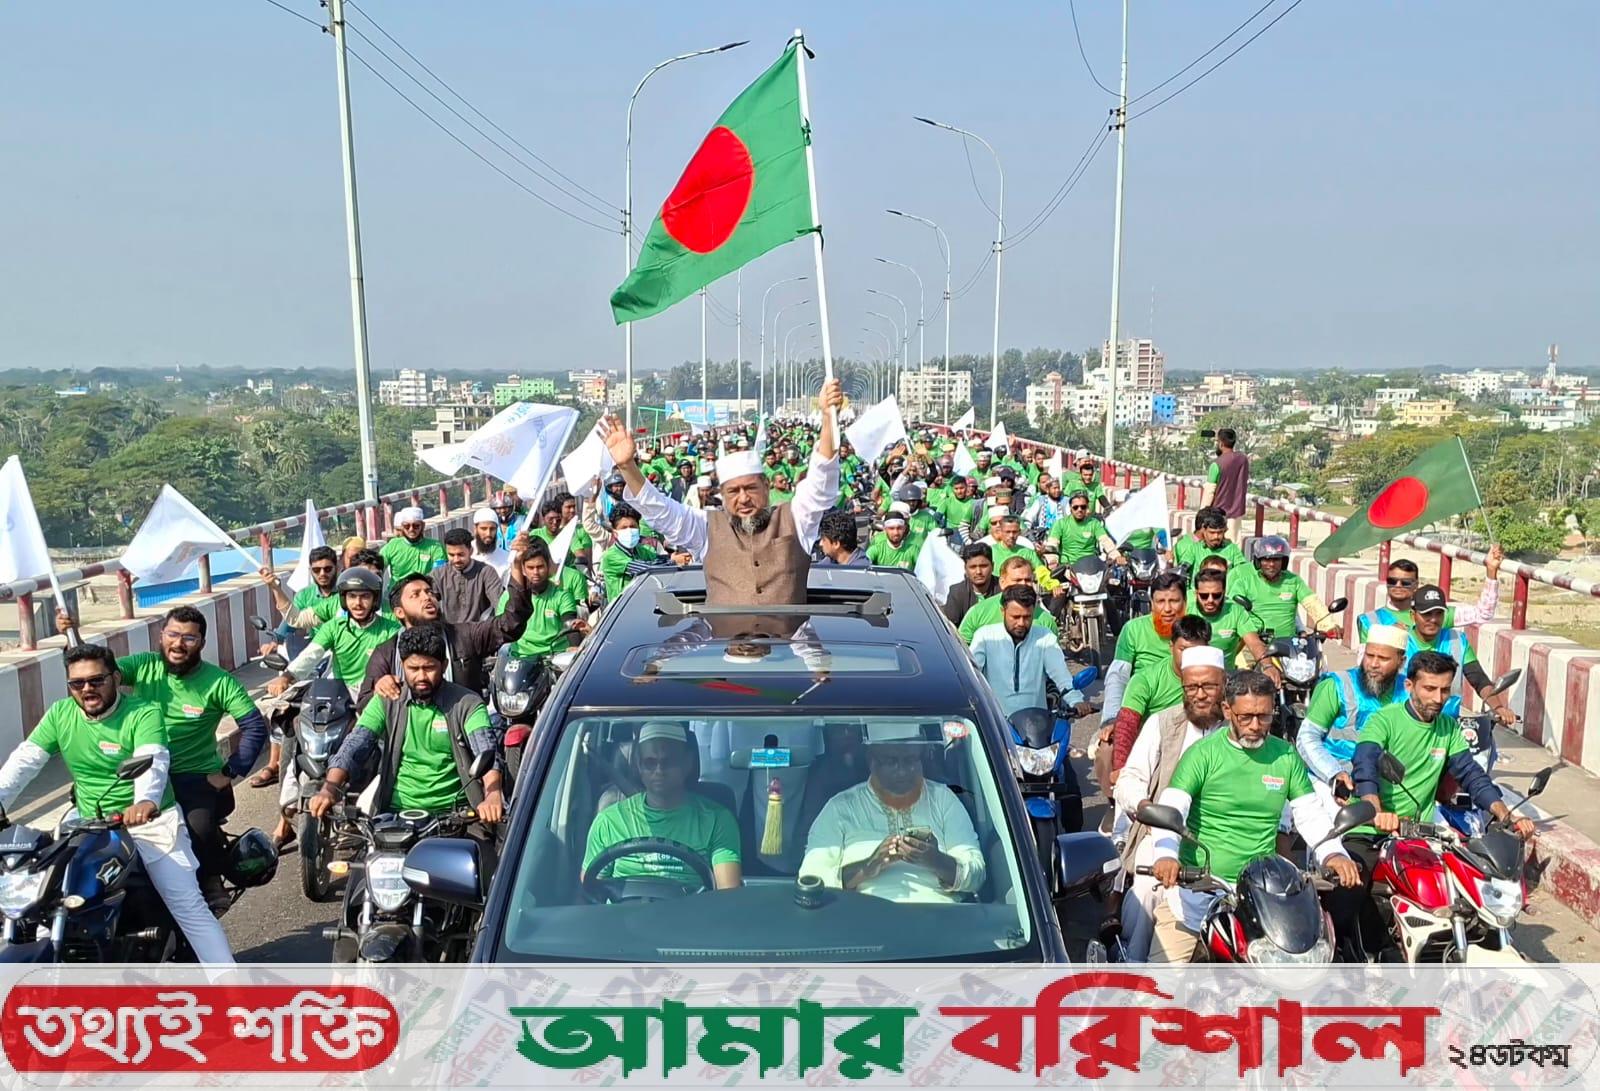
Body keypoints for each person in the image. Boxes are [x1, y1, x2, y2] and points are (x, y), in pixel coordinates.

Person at [0, 644, 235, 963]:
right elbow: (25, 761)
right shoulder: (60, 714)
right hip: (86, 824)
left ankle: (232, 996)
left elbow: (151, 761)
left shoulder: (143, 712)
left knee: (187, 905)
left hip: (150, 822)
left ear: (115, 677)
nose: (87, 689)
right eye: (77, 683)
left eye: (96, 680)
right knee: (44, 905)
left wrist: (145, 802)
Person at [55, 605, 266, 914]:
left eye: (189, 638)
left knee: (199, 827)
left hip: (191, 775)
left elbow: (254, 725)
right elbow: (99, 675)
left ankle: (210, 877)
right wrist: (70, 639)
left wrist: (230, 772)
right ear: (161, 635)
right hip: (137, 772)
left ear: (202, 643)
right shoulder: (143, 665)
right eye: (173, 634)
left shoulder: (219, 682)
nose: (178, 644)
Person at [1329, 651, 1536, 960]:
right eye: (1429, 689)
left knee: (1467, 892)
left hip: (1421, 834)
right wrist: (1375, 808)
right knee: (1350, 899)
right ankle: (1356, 970)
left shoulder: (1448, 729)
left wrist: (1507, 814)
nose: (1438, 698)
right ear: (1410, 686)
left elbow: (1471, 775)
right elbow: (1365, 763)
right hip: (1371, 830)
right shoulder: (1384, 720)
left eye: (1445, 690)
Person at [1146, 669, 1361, 963]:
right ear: (1226, 710)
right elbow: (1173, 808)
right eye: (1245, 717)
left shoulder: (1285, 756)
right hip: (1198, 895)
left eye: (1264, 716)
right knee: (1159, 994)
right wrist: (1167, 855)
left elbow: (1310, 814)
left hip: (1263, 903)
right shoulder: (1203, 754)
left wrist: (1333, 853)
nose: (1255, 726)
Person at [603, 377, 844, 607]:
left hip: (789, 645)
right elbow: (660, 510)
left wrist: (827, 417)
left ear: (766, 487)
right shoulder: (707, 528)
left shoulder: (795, 519)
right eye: (734, 491)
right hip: (723, 646)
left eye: (750, 488)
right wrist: (627, 466)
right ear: (723, 496)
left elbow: (821, 481)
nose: (743, 498)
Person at [307, 627, 505, 870]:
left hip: (458, 817)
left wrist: (493, 795)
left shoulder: (468, 703)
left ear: (443, 665)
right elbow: (355, 744)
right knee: (363, 887)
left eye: (429, 668)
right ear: (402, 666)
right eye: (413, 669)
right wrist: (330, 788)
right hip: (396, 817)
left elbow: (485, 748)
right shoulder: (387, 701)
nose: (421, 676)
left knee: (483, 885)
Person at [1111, 646, 1228, 961]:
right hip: (1163, 833)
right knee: (1147, 892)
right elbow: (1129, 779)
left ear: (1224, 685)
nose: (1200, 695)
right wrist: (1147, 807)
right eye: (1191, 687)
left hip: (1225, 840)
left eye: (1209, 686)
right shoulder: (1162, 724)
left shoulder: (1239, 727)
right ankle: (1135, 973)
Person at [799, 726, 985, 903]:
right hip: (861, 923)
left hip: (939, 920)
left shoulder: (943, 799)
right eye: (891, 761)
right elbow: (810, 880)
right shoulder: (841, 807)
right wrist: (867, 867)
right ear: (871, 761)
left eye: (910, 760)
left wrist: (936, 860)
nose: (902, 771)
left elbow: (977, 875)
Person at [358, 556, 536, 708]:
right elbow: (363, 703)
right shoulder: (386, 652)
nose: (427, 597)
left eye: (429, 592)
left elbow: (511, 624)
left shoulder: (465, 636)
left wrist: (518, 571)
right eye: (416, 594)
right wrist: (380, 689)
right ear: (399, 612)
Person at [582, 721, 742, 890]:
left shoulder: (717, 821)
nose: (659, 770)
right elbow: (589, 894)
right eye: (650, 762)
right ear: (638, 765)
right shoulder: (609, 822)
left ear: (687, 763)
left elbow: (728, 897)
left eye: (668, 762)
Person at [1296, 624, 1410, 816]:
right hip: (1335, 783)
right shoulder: (1336, 685)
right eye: (1369, 655)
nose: (1373, 664)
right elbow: (1307, 737)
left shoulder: (1408, 692)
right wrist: (1334, 774)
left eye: (1383, 659)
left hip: (1388, 786)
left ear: (1401, 661)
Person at [1104, 615, 1214, 782]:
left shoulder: (1221, 680)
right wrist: (1121, 771)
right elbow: (1127, 723)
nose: (1190, 657)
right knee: (1106, 749)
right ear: (1171, 647)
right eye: (1183, 650)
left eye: (1196, 651)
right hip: (1158, 748)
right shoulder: (1145, 679)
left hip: (1207, 749)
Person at [266, 567, 401, 698]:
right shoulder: (334, 627)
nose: (358, 603)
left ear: (375, 600)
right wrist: (285, 677)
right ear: (344, 600)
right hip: (341, 694)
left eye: (365, 596)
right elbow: (311, 655)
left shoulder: (392, 630)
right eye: (352, 596)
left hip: (378, 692)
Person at [1404, 586, 1516, 726]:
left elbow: (1479, 679)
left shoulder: (1458, 641)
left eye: (1438, 613)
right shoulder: (1400, 641)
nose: (1433, 619)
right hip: (1407, 725)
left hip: (1449, 727)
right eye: (1427, 614)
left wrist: (1498, 708)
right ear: (1412, 615)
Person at [969, 586, 1087, 718]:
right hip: (997, 725)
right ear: (1003, 611)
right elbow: (970, 677)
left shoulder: (1045, 637)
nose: (1021, 623)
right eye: (1015, 617)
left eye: (1026, 617)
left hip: (1037, 725)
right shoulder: (985, 636)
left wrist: (1076, 700)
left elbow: (1061, 676)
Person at [1099, 572, 1190, 734]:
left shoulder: (1195, 632)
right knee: (1106, 749)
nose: (1167, 609)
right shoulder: (1133, 629)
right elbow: (1118, 677)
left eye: (1174, 601)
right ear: (1151, 604)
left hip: (1187, 718)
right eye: (1161, 601)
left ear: (1185, 602)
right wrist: (1112, 718)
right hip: (1141, 717)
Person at [1356, 548, 1502, 642]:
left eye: (1405, 583)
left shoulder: (1435, 615)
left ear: (1416, 584)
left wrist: (1491, 571)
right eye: (1393, 581)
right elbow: (1365, 664)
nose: (1398, 586)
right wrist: (1387, 636)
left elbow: (1483, 614)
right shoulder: (1370, 620)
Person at [1228, 535, 1341, 647]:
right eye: (1267, 560)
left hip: (1290, 647)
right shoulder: (1244, 583)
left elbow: (1312, 603)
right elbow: (1230, 610)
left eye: (1276, 559)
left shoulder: (1293, 581)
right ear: (1258, 561)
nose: (1271, 564)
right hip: (1255, 645)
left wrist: (1328, 625)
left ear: (1284, 561)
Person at [258, 545, 340, 661]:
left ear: (337, 568)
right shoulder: (304, 595)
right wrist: (275, 587)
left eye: (327, 569)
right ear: (310, 571)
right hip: (317, 652)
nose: (322, 574)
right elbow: (294, 620)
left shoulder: (345, 594)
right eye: (316, 570)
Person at [957, 555, 1060, 643]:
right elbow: (962, 649)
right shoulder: (978, 613)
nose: (1023, 585)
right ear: (1002, 582)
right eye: (1017, 580)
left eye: (1028, 580)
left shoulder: (1046, 621)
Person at [1190, 567, 1275, 673]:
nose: (1210, 600)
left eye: (1216, 595)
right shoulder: (1186, 610)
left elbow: (1254, 643)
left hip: (1225, 679)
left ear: (1224, 593)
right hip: (1191, 676)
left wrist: (1268, 666)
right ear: (1196, 593)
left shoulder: (1236, 611)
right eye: (1204, 596)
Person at [435, 527, 505, 624]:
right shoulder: (439, 574)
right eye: (451, 555)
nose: (456, 560)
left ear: (471, 551)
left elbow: (500, 604)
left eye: (461, 554)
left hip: (479, 631)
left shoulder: (486, 572)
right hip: (449, 632)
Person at [600, 501, 661, 603]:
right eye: (624, 528)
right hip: (621, 611)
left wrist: (673, 559)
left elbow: (660, 560)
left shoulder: (643, 550)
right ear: (615, 533)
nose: (629, 531)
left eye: (633, 527)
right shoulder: (610, 556)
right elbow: (644, 568)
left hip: (644, 605)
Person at [1169, 507, 1248, 581]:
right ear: (1204, 530)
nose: (1216, 536)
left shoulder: (1232, 548)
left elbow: (1243, 570)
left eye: (1219, 533)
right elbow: (1183, 566)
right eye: (1212, 533)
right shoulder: (1194, 548)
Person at [1199, 427, 1250, 538]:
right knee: (1234, 544)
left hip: (1218, 513)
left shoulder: (1216, 464)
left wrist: (1202, 515)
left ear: (1221, 444)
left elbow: (1209, 492)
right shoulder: (1243, 459)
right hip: (1237, 511)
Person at [1049, 490, 1123, 565]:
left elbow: (1106, 541)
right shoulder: (1060, 524)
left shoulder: (1094, 523)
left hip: (1090, 567)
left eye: (1083, 507)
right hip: (1068, 568)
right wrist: (1052, 561)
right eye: (1075, 507)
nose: (1079, 510)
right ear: (1070, 508)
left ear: (1087, 507)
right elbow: (1052, 544)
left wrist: (1116, 557)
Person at [381, 506, 447, 582]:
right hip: (398, 591)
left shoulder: (435, 547)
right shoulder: (392, 546)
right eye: (407, 526)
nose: (411, 529)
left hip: (424, 590)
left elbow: (440, 573)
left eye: (416, 526)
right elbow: (378, 566)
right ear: (402, 526)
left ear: (423, 525)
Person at [942, 543, 996, 627]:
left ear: (992, 566)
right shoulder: (957, 592)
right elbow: (951, 628)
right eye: (973, 567)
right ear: (965, 569)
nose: (978, 572)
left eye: (983, 566)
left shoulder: (1004, 589)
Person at [471, 507, 512, 580]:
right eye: (483, 529)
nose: (488, 534)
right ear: (475, 529)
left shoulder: (506, 558)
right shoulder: (466, 554)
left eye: (492, 529)